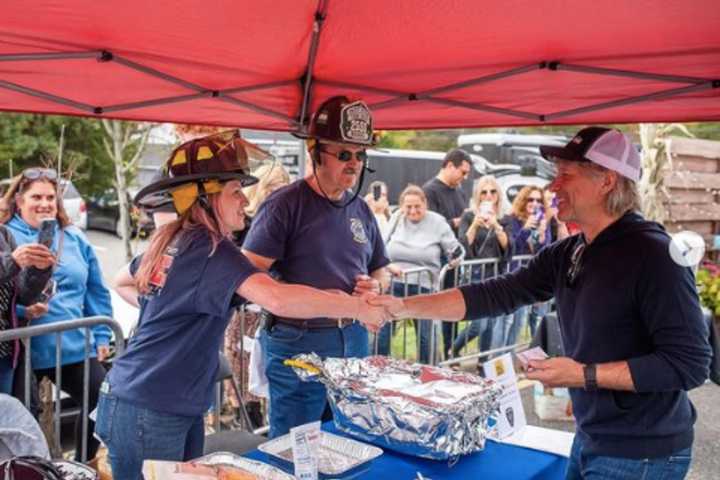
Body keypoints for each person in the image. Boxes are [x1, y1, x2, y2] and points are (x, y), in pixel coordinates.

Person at [372, 127, 712, 480]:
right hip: (591, 436)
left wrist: (582, 376)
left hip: (642, 451)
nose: (553, 186)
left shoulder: (653, 256)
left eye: (566, 175)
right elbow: (494, 294)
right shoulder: (570, 251)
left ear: (607, 181)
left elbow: (689, 364)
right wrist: (400, 307)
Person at [96, 131, 387, 480]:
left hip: (154, 400)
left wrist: (167, 309)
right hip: (151, 407)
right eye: (236, 192)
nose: (245, 203)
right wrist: (355, 307)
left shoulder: (175, 238)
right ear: (206, 197)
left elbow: (122, 281)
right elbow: (278, 298)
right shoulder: (212, 251)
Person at [242, 96, 390, 438]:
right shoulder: (284, 204)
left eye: (360, 154)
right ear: (316, 152)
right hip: (298, 339)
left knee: (348, 435)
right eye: (343, 153)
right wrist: (306, 298)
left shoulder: (361, 209)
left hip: (352, 337)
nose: (354, 163)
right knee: (298, 441)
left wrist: (376, 287)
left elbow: (380, 266)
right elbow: (248, 273)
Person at [1, 168, 112, 462]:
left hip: (73, 344)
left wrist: (102, 334)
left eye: (50, 197)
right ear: (19, 201)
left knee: (103, 401)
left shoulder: (75, 237)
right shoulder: (7, 235)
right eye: (36, 196)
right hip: (23, 348)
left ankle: (82, 464)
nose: (44, 203)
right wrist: (24, 310)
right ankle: (30, 470)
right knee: (23, 420)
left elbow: (95, 289)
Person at [225, 162, 290, 428]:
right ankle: (247, 424)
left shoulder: (287, 223)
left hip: (272, 313)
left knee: (269, 380)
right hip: (246, 315)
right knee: (243, 381)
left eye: (282, 188)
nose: (278, 194)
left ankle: (260, 426)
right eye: (273, 187)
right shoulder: (242, 225)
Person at [376, 184, 462, 364]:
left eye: (417, 206)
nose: (413, 211)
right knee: (382, 333)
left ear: (425, 204)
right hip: (395, 283)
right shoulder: (397, 218)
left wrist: (455, 260)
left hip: (424, 285)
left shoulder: (437, 222)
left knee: (425, 336)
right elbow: (380, 247)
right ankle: (377, 368)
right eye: (408, 207)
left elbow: (456, 250)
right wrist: (387, 265)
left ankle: (428, 373)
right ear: (402, 207)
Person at [450, 175, 509, 358]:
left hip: (495, 276)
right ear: (478, 196)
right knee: (478, 324)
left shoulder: (504, 218)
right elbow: (461, 246)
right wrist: (475, 225)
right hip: (474, 276)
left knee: (490, 323)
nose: (489, 196)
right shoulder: (468, 215)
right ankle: (454, 349)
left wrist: (496, 226)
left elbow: (508, 247)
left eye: (493, 192)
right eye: (484, 192)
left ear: (498, 195)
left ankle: (484, 362)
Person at [0, 225, 54, 394]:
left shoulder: (4, 234)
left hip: (5, 352)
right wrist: (12, 261)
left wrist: (38, 270)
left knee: (6, 416)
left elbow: (23, 295)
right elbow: (10, 264)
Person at [502, 185, 554, 347]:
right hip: (512, 278)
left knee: (520, 324)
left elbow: (544, 252)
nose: (535, 203)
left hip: (531, 280)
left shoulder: (542, 221)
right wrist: (525, 229)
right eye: (530, 199)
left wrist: (543, 234)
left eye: (539, 200)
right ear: (523, 201)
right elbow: (512, 248)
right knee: (506, 324)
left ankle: (509, 362)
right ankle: (493, 361)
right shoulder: (512, 219)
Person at [422, 148, 471, 235]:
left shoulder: (460, 191)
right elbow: (429, 227)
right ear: (450, 166)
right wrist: (456, 222)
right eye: (463, 172)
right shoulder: (429, 191)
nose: (465, 177)